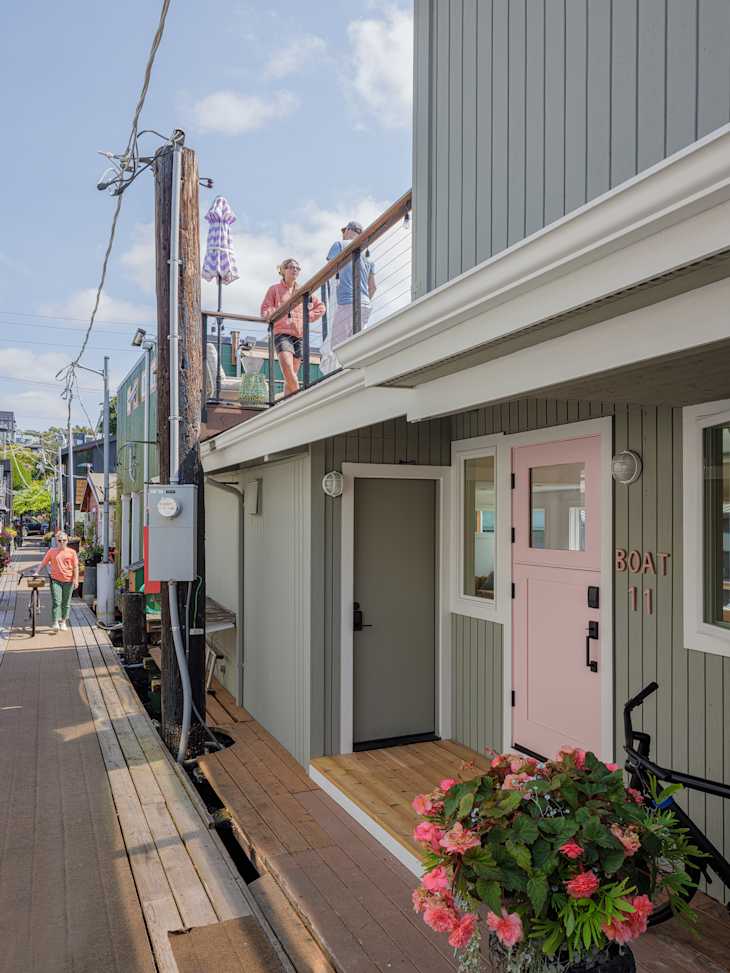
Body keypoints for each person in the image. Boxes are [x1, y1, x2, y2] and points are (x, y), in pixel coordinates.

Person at [261, 259, 325, 397]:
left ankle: (286, 403)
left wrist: (307, 316)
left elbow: (321, 307)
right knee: (288, 370)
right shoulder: (274, 289)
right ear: (283, 270)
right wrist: (277, 314)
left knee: (291, 377)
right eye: (291, 267)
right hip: (282, 334)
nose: (295, 270)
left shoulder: (303, 291)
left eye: (297, 268)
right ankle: (302, 399)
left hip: (299, 335)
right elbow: (265, 309)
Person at [326, 221, 376, 351]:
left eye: (343, 232)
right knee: (356, 345)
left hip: (347, 302)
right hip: (365, 305)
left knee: (337, 347)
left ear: (348, 230)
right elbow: (373, 287)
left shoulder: (339, 245)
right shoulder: (368, 257)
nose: (343, 235)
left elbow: (329, 269)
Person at [37, 531, 78, 634]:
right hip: (55, 580)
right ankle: (55, 622)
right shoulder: (52, 551)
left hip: (68, 580)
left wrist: (76, 579)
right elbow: (44, 562)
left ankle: (63, 622)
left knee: (66, 603)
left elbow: (75, 567)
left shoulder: (72, 552)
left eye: (64, 540)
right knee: (56, 601)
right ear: (56, 541)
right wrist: (37, 572)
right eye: (60, 540)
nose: (62, 542)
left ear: (67, 541)